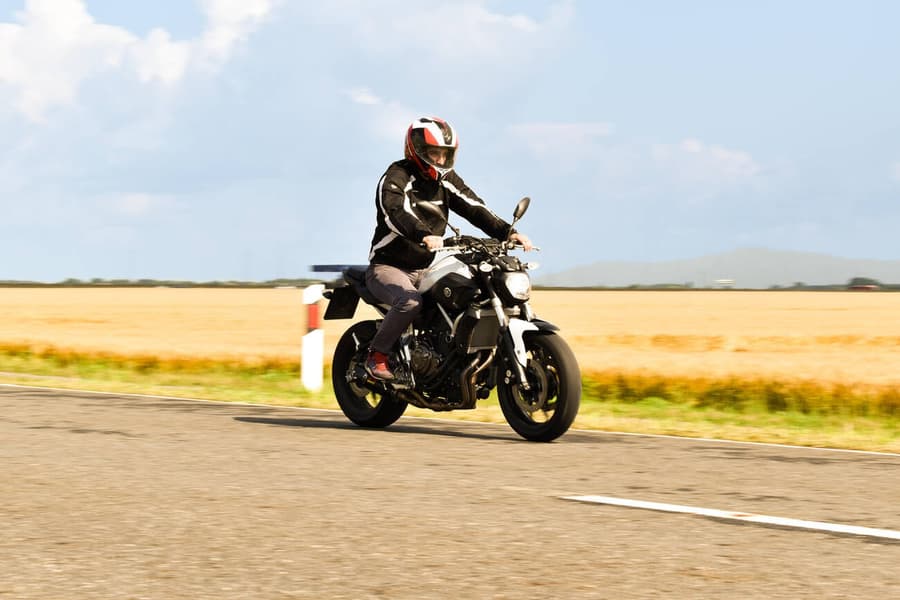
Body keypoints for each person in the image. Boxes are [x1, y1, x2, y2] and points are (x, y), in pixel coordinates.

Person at [365, 116, 532, 380]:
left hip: (430, 264)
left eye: (445, 154)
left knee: (474, 289)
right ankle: (377, 356)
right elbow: (395, 212)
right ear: (416, 150)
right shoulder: (397, 177)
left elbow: (474, 207)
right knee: (410, 302)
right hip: (390, 266)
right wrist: (423, 234)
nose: (440, 160)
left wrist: (508, 233)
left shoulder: (447, 179)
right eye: (434, 153)